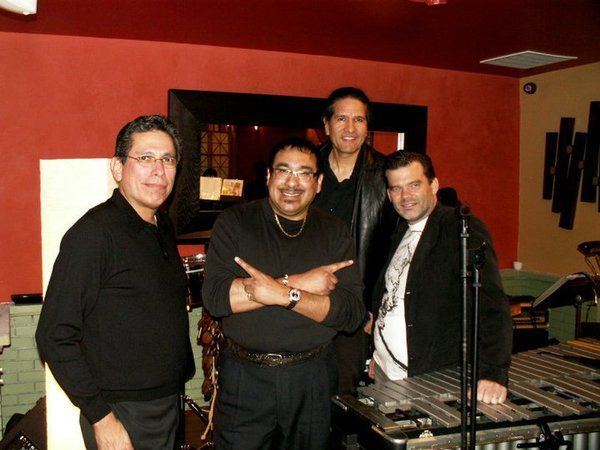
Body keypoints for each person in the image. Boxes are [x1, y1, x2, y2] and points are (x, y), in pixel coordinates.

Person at [36, 115, 195, 449]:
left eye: (168, 160)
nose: (159, 170)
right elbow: (54, 335)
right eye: (146, 158)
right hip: (122, 411)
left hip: (166, 400)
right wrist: (101, 418)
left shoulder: (162, 225)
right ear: (118, 167)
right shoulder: (94, 235)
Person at [202, 137, 365, 449]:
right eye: (284, 170)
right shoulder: (235, 223)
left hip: (311, 377)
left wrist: (280, 294)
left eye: (304, 173)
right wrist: (298, 283)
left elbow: (350, 313)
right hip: (244, 377)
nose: (292, 182)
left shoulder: (334, 232)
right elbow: (217, 298)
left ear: (318, 183)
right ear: (269, 176)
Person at [370, 151, 512, 404]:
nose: (405, 196)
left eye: (414, 185)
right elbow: (391, 294)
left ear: (433, 185)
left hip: (428, 378)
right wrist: (379, 353)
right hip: (385, 370)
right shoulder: (401, 229)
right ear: (389, 194)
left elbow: (492, 305)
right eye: (396, 188)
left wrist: (492, 373)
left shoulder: (460, 228)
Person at [313, 87, 396, 394]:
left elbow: (395, 250)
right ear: (326, 125)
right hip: (304, 303)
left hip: (356, 310)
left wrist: (376, 308)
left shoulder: (386, 175)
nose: (350, 128)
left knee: (345, 396)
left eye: (359, 119)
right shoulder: (306, 169)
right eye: (342, 118)